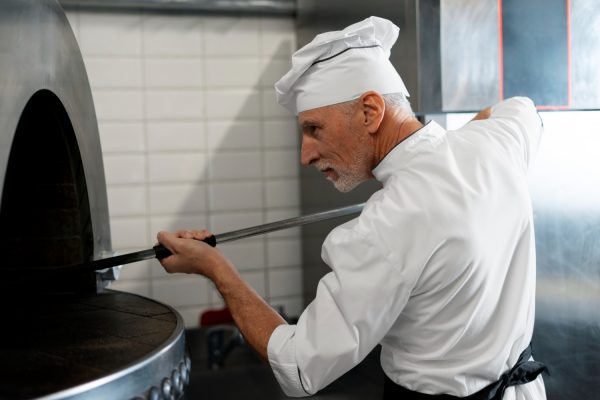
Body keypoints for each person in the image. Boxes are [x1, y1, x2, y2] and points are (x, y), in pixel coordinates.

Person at [157, 16, 547, 399]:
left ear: (370, 111)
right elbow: (522, 108)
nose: (305, 155)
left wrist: (216, 268)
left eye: (314, 129)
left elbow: (297, 367)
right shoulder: (496, 144)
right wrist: (458, 146)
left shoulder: (388, 225)